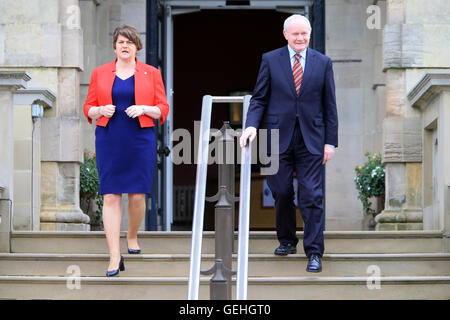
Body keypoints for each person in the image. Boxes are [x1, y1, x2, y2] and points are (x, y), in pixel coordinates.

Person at [240, 14, 338, 273]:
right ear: (285, 35)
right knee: (281, 190)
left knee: (311, 195)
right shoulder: (270, 60)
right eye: (295, 34)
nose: (300, 38)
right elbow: (259, 98)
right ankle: (286, 239)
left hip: (312, 139)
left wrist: (331, 142)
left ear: (309, 34)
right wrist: (251, 125)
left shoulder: (323, 62)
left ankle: (314, 251)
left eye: (304, 34)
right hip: (275, 137)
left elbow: (330, 105)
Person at [83, 24, 170, 277]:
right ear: (115, 45)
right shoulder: (100, 73)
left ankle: (132, 236)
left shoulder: (151, 73)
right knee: (110, 196)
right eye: (120, 41)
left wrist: (144, 108)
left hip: (140, 137)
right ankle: (114, 255)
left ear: (136, 46)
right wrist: (99, 111)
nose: (124, 45)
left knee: (137, 195)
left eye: (129, 42)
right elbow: (88, 107)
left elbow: (163, 108)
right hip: (109, 137)